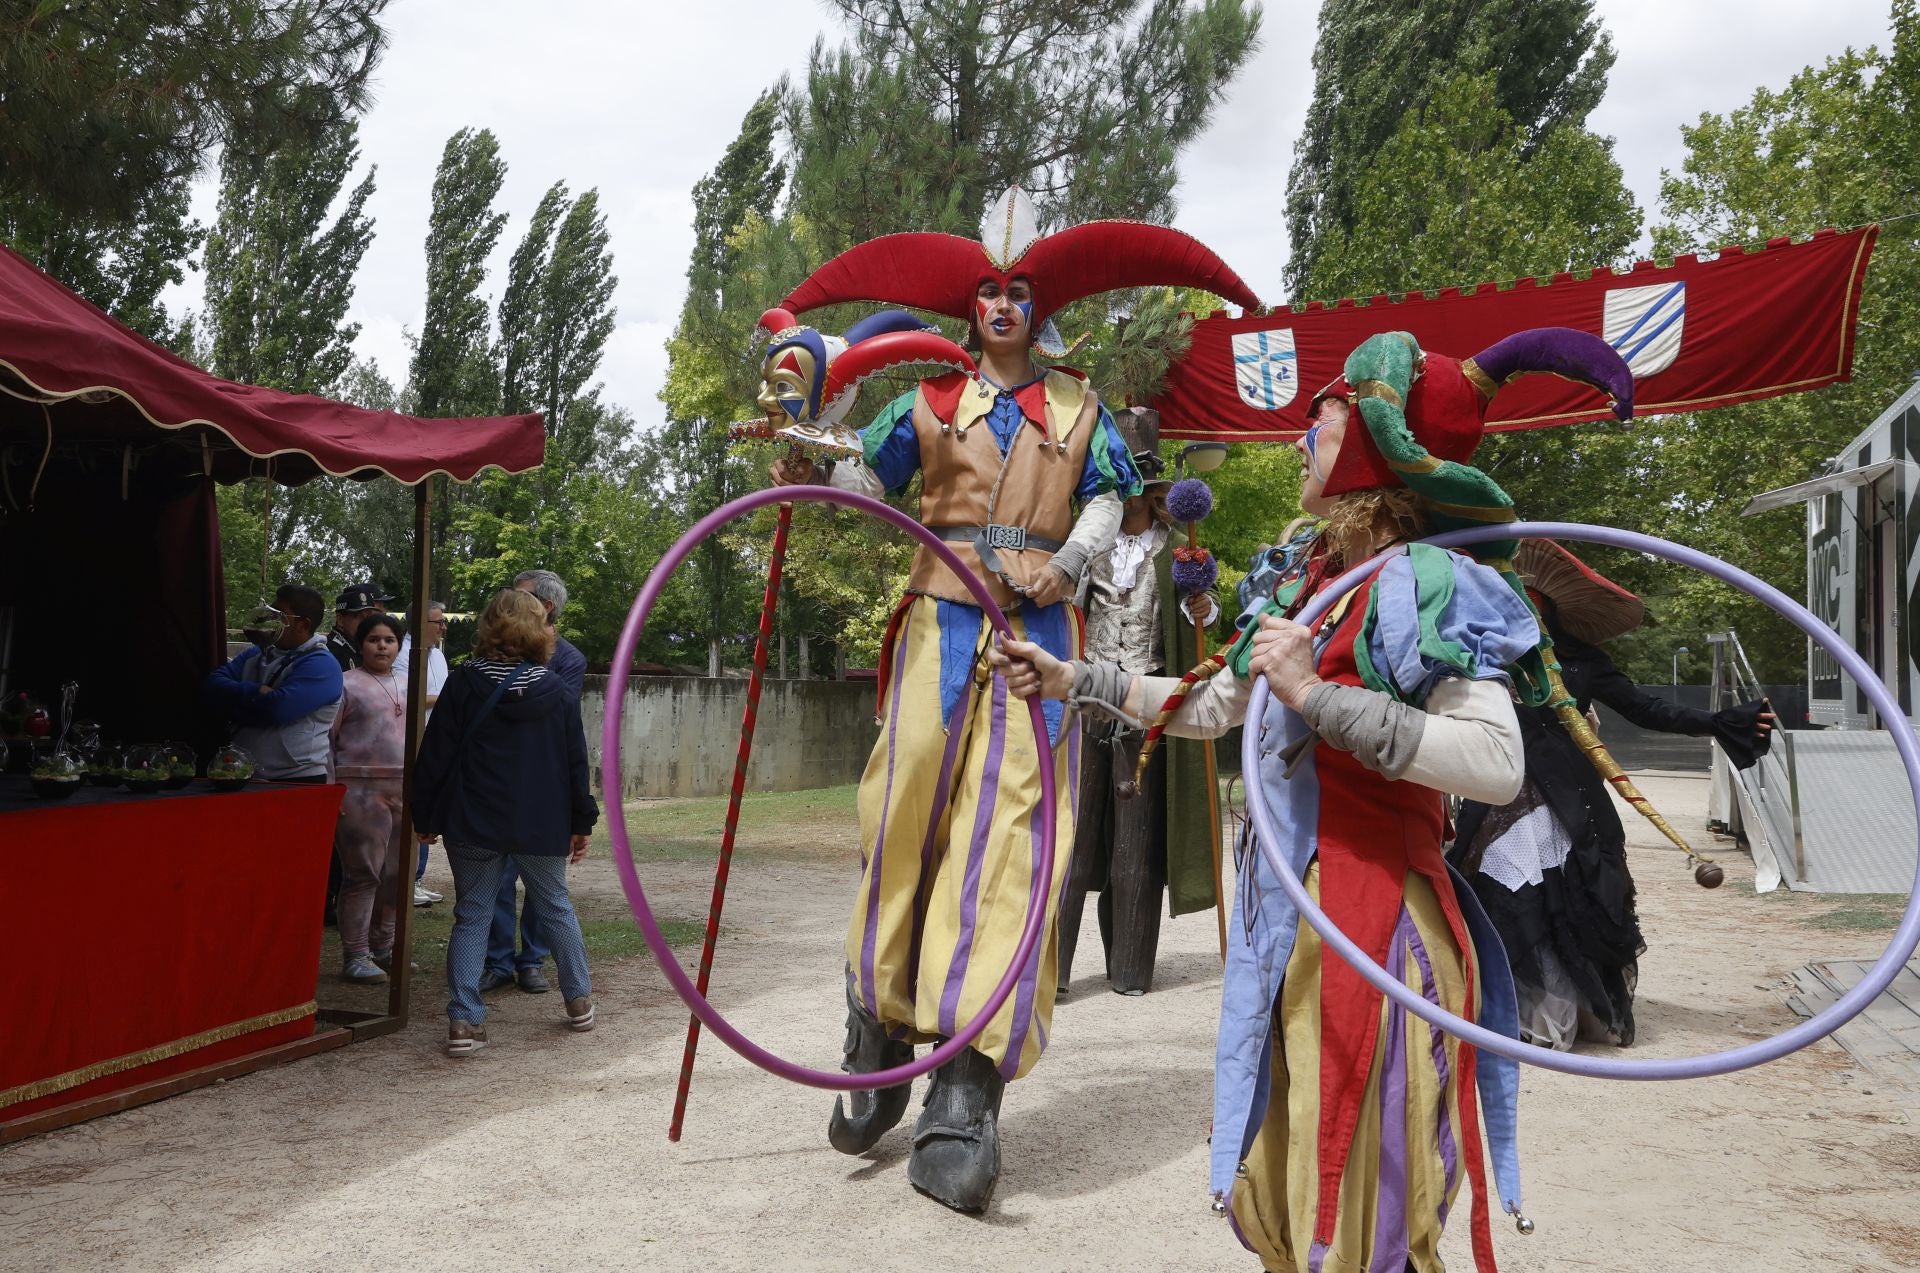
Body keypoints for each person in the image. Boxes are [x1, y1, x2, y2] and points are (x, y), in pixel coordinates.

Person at [995, 327, 1637, 1271]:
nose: (1302, 439)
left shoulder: (1429, 583)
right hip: (1293, 923)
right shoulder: (1309, 580)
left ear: (1377, 447)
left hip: (1379, 936)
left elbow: (1497, 761)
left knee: (1365, 1188)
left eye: (1324, 421)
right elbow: (1216, 705)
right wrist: (1067, 676)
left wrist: (1316, 696)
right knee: (1297, 1177)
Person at [765, 187, 1261, 1212]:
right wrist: (813, 456)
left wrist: (1073, 562)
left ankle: (964, 1086)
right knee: (899, 819)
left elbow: (1113, 494)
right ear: (968, 305)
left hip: (1036, 644)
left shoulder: (1078, 408)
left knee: (1013, 845)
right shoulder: (929, 401)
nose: (1000, 302)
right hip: (933, 630)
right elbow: (869, 488)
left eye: (1017, 289)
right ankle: (879, 1016)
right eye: (986, 289)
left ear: (1039, 305)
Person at [1449, 541, 1775, 1049]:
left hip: (1575, 799)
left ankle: (1571, 1013)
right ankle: (1505, 1009)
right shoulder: (1472, 662)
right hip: (1499, 793)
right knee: (1507, 893)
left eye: (1531, 604)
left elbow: (1648, 709)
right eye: (1511, 603)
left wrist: (1719, 722)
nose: (1521, 614)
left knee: (1573, 895)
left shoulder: (1581, 663)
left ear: (1550, 611)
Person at [1057, 427, 1220, 997]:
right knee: (1073, 841)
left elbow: (1197, 617)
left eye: (1139, 490)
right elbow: (1063, 614)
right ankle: (1052, 972)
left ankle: (1130, 967)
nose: (1130, 499)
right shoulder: (1087, 550)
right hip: (1086, 703)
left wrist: (1204, 604)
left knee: (1136, 842)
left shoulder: (1179, 555)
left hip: (1146, 702)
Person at [413, 588, 599, 1056]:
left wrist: (426, 814)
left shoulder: (463, 681)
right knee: (555, 904)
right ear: (541, 628)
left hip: (472, 818)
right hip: (540, 819)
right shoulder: (554, 688)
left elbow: (436, 752)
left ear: (487, 625)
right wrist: (582, 821)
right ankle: (578, 1000)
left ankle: (464, 1020)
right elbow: (575, 761)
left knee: (472, 913)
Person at [476, 570, 585, 994]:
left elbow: (563, 727)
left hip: (544, 787)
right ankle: (497, 961)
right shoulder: (484, 659)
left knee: (545, 886)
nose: (507, 608)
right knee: (495, 882)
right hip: (496, 785)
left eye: (518, 600)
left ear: (546, 608)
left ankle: (532, 961)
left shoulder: (568, 660)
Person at [329, 613, 409, 985]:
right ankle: (355, 953)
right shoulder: (345, 684)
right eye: (374, 639)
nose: (381, 646)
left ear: (399, 645)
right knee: (363, 874)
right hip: (358, 792)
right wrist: (333, 792)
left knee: (395, 874)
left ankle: (384, 947)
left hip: (403, 788)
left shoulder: (410, 684)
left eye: (389, 640)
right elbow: (327, 741)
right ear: (360, 644)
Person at [203, 583, 343, 783]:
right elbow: (212, 687)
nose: (268, 619)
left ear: (303, 625)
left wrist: (230, 705)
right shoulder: (255, 653)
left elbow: (276, 710)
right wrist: (256, 691)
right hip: (242, 775)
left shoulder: (322, 665)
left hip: (295, 781)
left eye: (280, 615)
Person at [395, 600, 451, 908]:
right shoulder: (404, 656)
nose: (443, 627)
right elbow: (410, 697)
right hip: (411, 742)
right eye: (438, 622)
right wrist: (448, 699)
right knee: (415, 809)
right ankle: (407, 876)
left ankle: (417, 877)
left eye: (443, 622)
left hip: (435, 741)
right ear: (419, 625)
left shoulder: (438, 656)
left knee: (427, 808)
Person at [326, 582, 392, 671]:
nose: (367, 623)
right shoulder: (331, 652)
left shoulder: (357, 645)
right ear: (340, 620)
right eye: (360, 617)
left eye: (369, 617)